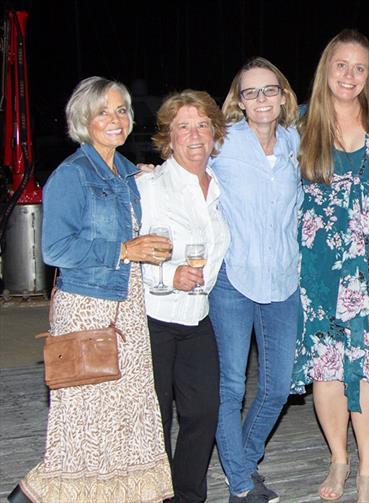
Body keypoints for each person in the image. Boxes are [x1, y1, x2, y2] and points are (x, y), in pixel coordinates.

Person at [10, 77, 173, 503]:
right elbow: (55, 248)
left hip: (128, 304)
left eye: (121, 110)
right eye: (103, 111)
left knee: (125, 411)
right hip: (87, 305)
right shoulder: (71, 175)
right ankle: (39, 493)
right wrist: (124, 248)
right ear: (83, 119)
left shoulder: (127, 172)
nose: (115, 119)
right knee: (86, 415)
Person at [292, 29, 369, 503]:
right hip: (319, 269)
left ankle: (368, 471)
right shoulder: (297, 124)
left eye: (360, 67)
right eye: (342, 65)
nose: (350, 75)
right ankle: (339, 460)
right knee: (327, 366)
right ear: (326, 67)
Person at [208, 58, 302, 503]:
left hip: (284, 279)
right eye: (251, 92)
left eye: (269, 90)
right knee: (229, 385)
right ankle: (243, 484)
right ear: (239, 101)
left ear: (283, 95)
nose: (261, 99)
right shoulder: (222, 143)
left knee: (277, 386)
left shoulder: (297, 143)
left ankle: (241, 462)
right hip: (233, 278)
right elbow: (182, 168)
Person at [137, 89, 230, 503]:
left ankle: (188, 496)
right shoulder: (149, 185)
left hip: (197, 318)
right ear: (168, 137)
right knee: (156, 419)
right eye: (183, 126)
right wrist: (169, 272)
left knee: (203, 414)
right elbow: (127, 249)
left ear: (214, 132)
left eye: (203, 125)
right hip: (154, 317)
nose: (195, 134)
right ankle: (154, 493)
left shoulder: (219, 188)